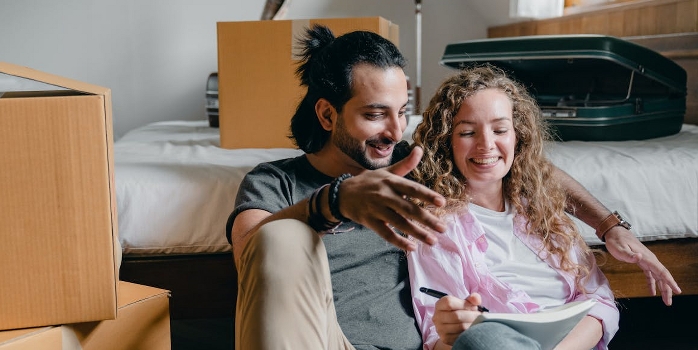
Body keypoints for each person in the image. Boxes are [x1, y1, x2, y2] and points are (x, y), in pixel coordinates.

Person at [226, 25, 680, 350]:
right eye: (374, 114)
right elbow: (253, 251)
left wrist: (609, 224)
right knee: (282, 235)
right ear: (327, 115)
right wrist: (336, 202)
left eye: (403, 111)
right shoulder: (276, 180)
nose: (394, 129)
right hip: (322, 339)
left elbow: (521, 165)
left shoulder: (408, 163)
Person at [407, 65, 619, 350]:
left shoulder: (544, 211)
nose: (486, 145)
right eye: (468, 132)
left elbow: (600, 304)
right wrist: (456, 333)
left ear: (517, 136)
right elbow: (438, 339)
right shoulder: (435, 227)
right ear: (447, 141)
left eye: (500, 130)